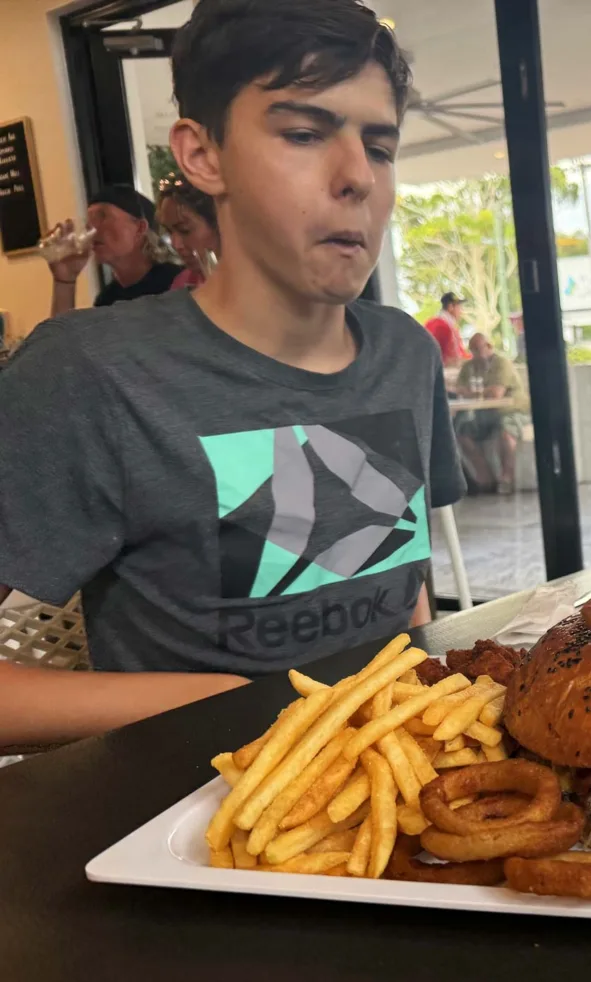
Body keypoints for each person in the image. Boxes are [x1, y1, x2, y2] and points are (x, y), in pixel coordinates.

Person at [0, 0, 461, 746]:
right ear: (202, 156)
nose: (357, 177)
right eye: (304, 133)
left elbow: (402, 592)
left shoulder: (405, 353)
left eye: (379, 147)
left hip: (398, 782)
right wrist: (226, 704)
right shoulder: (89, 373)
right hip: (196, 803)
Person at [47, 185, 183, 316]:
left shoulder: (178, 284)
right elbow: (60, 332)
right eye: (89, 220)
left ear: (140, 228)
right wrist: (65, 280)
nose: (91, 228)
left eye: (102, 216)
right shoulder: (107, 300)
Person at [454, 331, 530, 494]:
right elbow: (458, 389)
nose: (475, 353)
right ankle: (485, 478)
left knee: (506, 432)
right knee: (463, 432)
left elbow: (496, 393)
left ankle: (507, 478)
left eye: (478, 348)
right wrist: (478, 392)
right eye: (472, 349)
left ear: (489, 346)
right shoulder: (469, 367)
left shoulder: (501, 363)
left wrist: (472, 392)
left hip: (512, 410)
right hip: (485, 412)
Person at [157, 174, 221, 289]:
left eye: (184, 230)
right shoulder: (182, 284)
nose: (176, 245)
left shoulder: (253, 280)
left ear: (219, 224)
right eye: (169, 232)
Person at [424, 291, 468, 365]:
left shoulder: (432, 323)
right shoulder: (442, 327)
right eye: (459, 307)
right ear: (450, 307)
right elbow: (450, 358)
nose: (461, 311)